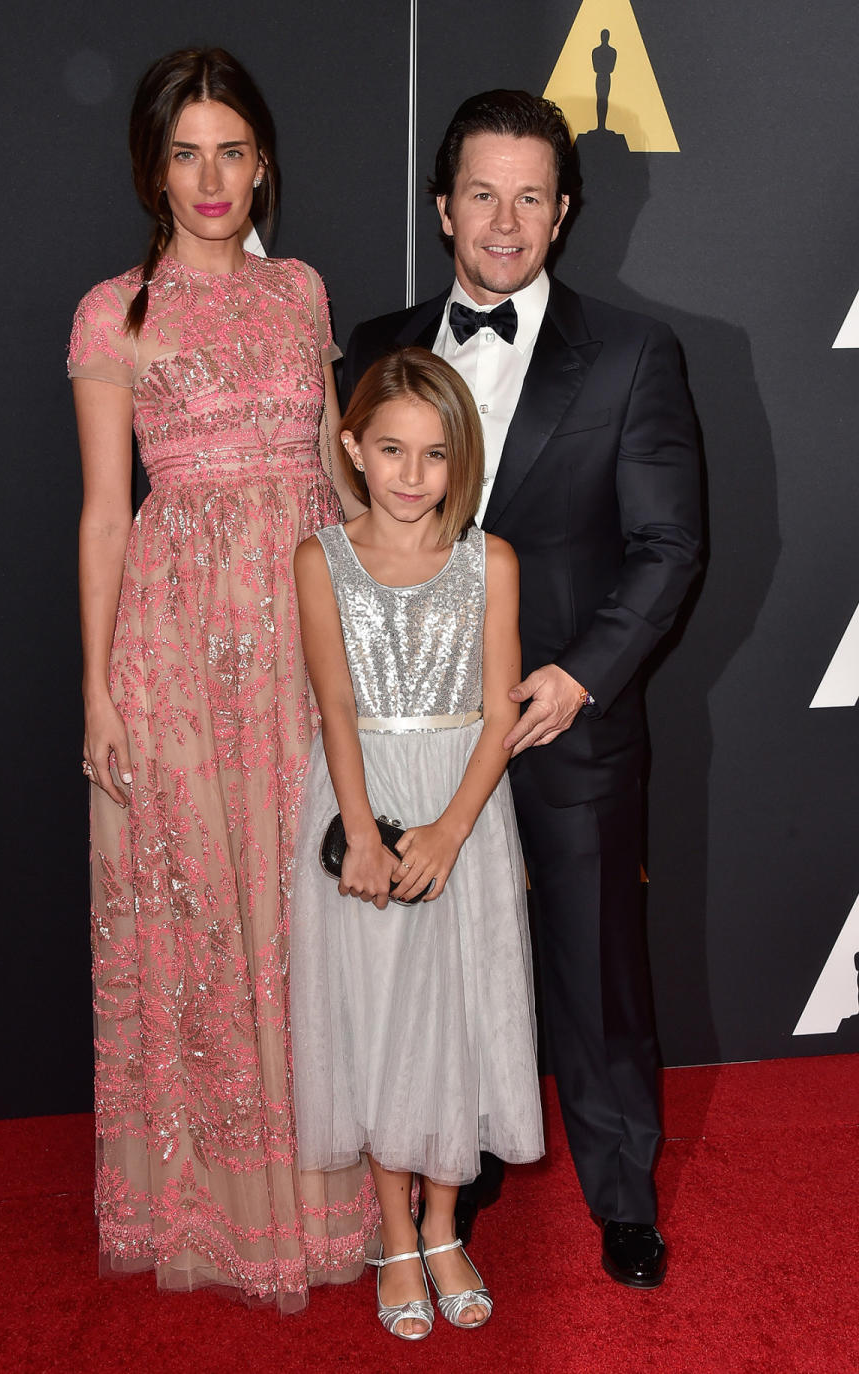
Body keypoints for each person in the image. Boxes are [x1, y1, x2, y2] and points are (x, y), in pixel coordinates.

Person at [339, 90, 702, 1289]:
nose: (505, 221)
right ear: (442, 206)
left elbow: (668, 548)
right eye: (482, 194)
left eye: (531, 197)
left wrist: (582, 678)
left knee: (597, 968)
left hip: (562, 720)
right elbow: (344, 547)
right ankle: (454, 1172)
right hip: (419, 733)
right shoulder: (377, 344)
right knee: (436, 963)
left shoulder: (636, 354)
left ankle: (621, 1196)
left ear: (564, 213)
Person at [68, 47, 374, 1311]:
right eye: (185, 152)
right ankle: (216, 1201)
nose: (210, 178)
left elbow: (337, 478)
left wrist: (398, 610)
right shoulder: (113, 313)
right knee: (199, 923)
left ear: (264, 163)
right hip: (177, 650)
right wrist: (95, 691)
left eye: (231, 150)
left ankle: (327, 1195)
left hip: (303, 638)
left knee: (306, 919)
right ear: (151, 165)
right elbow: (101, 513)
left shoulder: (302, 292)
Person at [290, 348, 544, 1340]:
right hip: (363, 808)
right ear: (352, 446)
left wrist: (449, 828)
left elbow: (498, 712)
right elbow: (335, 706)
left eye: (434, 455)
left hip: (463, 814)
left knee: (459, 1018)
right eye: (389, 449)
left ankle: (445, 1225)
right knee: (381, 1021)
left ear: (460, 461)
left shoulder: (493, 561)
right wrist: (361, 831)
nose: (409, 473)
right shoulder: (321, 559)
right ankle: (394, 1228)